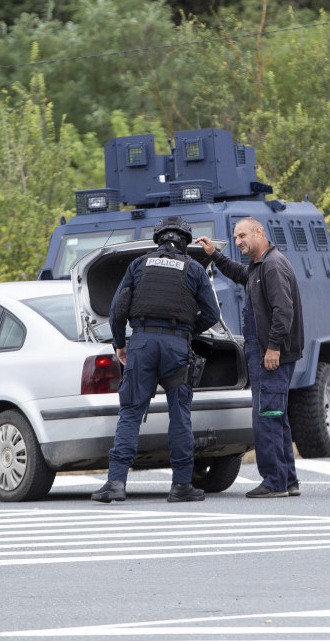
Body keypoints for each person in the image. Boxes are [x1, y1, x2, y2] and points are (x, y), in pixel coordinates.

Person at [91, 216, 221, 504]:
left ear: (158, 239)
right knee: (179, 416)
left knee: (130, 414)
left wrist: (119, 344)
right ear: (185, 242)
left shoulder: (139, 265)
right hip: (176, 347)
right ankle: (181, 486)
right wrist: (188, 331)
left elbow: (117, 310)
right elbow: (212, 314)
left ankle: (115, 483)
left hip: (142, 344)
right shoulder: (195, 269)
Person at [195, 218, 304, 498]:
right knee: (276, 415)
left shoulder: (273, 265)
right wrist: (214, 256)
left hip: (271, 354)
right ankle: (287, 479)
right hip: (266, 350)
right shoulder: (259, 266)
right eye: (235, 236)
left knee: (266, 415)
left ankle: (274, 481)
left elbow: (283, 310)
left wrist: (273, 347)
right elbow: (240, 273)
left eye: (243, 235)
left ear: (259, 233)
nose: (238, 240)